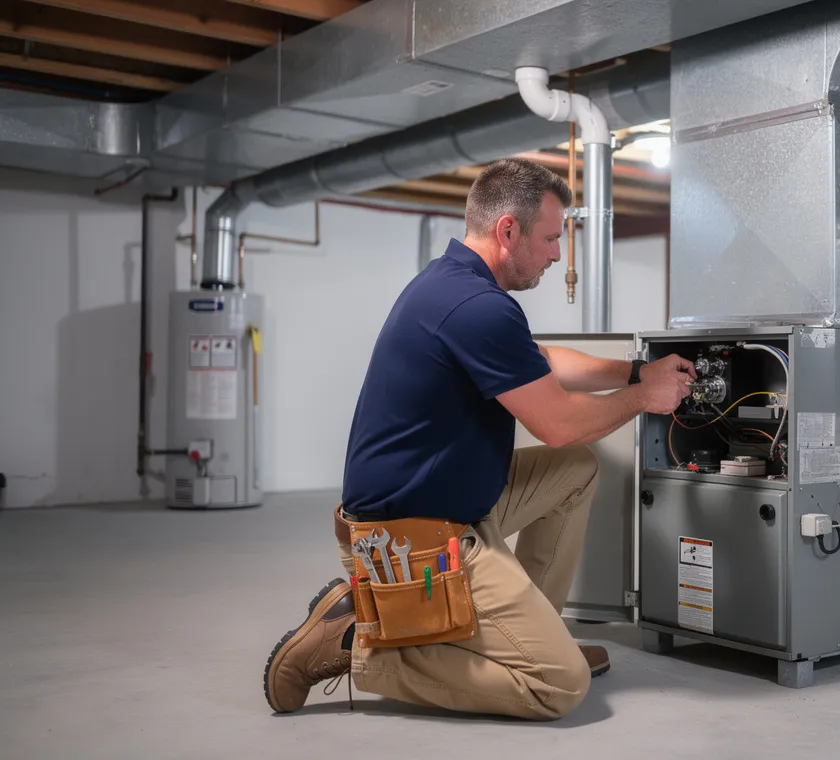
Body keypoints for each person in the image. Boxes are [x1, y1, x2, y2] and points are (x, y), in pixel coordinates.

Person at [262, 158, 694, 720]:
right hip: (407, 539)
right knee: (559, 685)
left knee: (575, 470)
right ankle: (358, 648)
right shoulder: (477, 307)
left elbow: (541, 361)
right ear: (507, 230)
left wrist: (633, 372)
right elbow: (557, 424)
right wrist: (644, 398)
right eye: (549, 237)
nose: (557, 253)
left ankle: (532, 635)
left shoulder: (453, 284)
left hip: (449, 503)